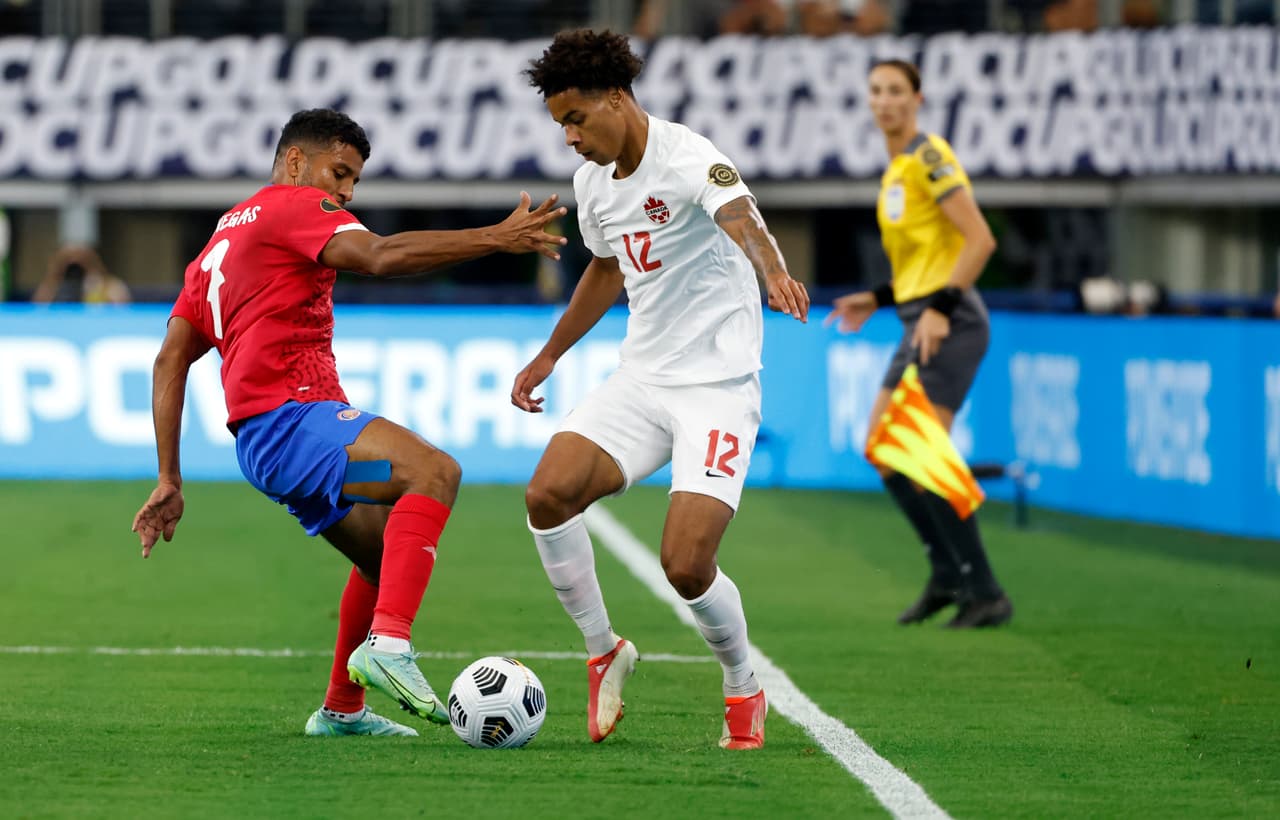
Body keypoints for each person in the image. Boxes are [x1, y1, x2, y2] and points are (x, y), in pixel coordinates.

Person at [130, 108, 568, 737]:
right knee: (435, 472)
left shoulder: (221, 241)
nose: (345, 193)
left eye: (355, 182)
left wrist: (169, 476)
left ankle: (342, 710)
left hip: (270, 450)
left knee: (383, 553)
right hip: (295, 423)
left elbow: (171, 357)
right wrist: (494, 238)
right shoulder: (291, 207)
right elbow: (381, 255)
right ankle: (389, 646)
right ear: (294, 162)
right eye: (339, 173)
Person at [514, 29, 810, 750]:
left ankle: (742, 683)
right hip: (643, 378)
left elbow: (740, 217)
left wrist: (771, 270)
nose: (570, 138)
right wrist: (550, 355)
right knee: (546, 493)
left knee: (684, 565)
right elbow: (607, 269)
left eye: (577, 119)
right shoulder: (593, 186)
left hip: (717, 386)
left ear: (617, 98)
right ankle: (604, 649)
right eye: (561, 125)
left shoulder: (691, 158)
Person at [826, 60, 1013, 629]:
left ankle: (984, 590)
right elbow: (924, 261)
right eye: (876, 91)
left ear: (918, 98)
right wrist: (879, 298)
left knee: (920, 450)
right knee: (883, 450)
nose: (885, 101)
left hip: (949, 321)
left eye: (896, 91)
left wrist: (940, 308)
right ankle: (948, 574)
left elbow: (979, 240)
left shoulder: (930, 157)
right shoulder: (897, 170)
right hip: (919, 317)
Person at [32, 244, 132, 305]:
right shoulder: (52, 286)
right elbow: (38, 308)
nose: (75, 269)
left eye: (82, 261)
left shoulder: (109, 285)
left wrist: (95, 281)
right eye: (69, 263)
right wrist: (55, 275)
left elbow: (122, 307)